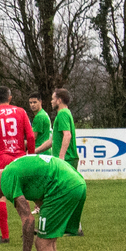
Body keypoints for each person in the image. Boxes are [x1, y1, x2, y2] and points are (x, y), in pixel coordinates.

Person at [0, 87, 34, 243]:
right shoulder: (21, 112)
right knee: (23, 194)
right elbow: (30, 136)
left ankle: (5, 236)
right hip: (19, 158)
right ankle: (28, 230)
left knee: (1, 196)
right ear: (10, 98)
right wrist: (30, 156)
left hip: (1, 158)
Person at [49, 88, 82, 236]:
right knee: (66, 192)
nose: (51, 101)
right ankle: (74, 227)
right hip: (69, 158)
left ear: (59, 100)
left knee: (63, 193)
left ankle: (69, 227)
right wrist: (35, 150)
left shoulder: (62, 114)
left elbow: (67, 135)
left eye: (53, 98)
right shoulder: (66, 113)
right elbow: (53, 140)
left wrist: (61, 157)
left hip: (66, 158)